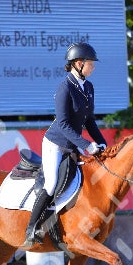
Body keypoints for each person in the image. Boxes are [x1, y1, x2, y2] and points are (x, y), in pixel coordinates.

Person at [23, 42, 106, 248]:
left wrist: (102, 142)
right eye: (90, 63)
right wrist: (86, 145)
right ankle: (31, 228)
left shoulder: (88, 87)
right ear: (79, 63)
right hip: (56, 143)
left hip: (74, 143)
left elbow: (89, 121)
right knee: (51, 183)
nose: (93, 67)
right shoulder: (65, 88)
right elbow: (63, 124)